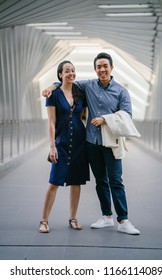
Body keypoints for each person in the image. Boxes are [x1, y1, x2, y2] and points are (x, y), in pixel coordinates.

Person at [42, 52, 140, 235]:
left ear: (111, 68)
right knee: (101, 181)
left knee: (116, 181)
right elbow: (65, 83)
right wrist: (52, 85)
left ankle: (123, 219)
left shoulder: (121, 91)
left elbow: (127, 116)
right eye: (98, 67)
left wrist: (105, 119)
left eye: (105, 66)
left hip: (111, 143)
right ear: (95, 69)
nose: (102, 70)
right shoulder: (88, 86)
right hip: (91, 142)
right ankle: (106, 217)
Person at [39, 60, 90, 233]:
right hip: (61, 144)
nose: (71, 73)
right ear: (60, 74)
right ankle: (44, 220)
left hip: (79, 144)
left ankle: (73, 218)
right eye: (67, 71)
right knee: (54, 181)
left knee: (76, 182)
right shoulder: (53, 95)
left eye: (73, 71)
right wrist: (52, 146)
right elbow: (52, 122)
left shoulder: (80, 92)